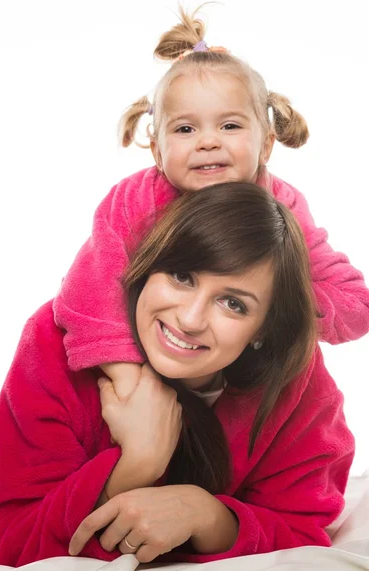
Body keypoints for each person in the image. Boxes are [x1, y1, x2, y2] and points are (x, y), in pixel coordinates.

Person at [0, 182, 354, 567]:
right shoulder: (53, 344)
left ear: (262, 329)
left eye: (233, 304)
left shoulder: (300, 386)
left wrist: (207, 516)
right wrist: (139, 463)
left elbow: (302, 532)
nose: (190, 319)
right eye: (181, 276)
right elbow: (15, 540)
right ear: (147, 267)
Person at [52, 6, 369, 402]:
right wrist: (131, 384)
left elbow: (355, 303)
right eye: (185, 128)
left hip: (235, 374)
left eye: (230, 125)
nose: (208, 141)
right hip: (147, 360)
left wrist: (275, 304)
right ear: (157, 150)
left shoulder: (282, 207)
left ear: (266, 144)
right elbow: (90, 291)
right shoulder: (134, 200)